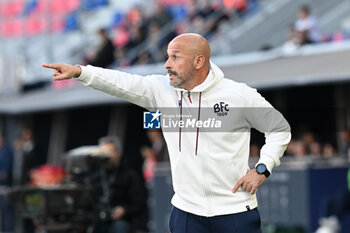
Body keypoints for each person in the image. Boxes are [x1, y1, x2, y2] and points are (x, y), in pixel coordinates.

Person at [43, 33, 291, 233]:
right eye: (167, 56)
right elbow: (122, 83)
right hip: (186, 213)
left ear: (198, 61)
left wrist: (262, 168)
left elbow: (279, 129)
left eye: (175, 57)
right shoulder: (162, 90)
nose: (167, 64)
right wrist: (81, 72)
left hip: (236, 211)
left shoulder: (238, 94)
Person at [92, 136, 146, 233]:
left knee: (120, 227)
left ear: (119, 154)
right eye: (103, 153)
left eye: (109, 152)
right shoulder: (95, 177)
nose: (106, 156)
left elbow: (139, 205)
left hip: (122, 221)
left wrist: (124, 210)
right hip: (98, 221)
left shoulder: (130, 176)